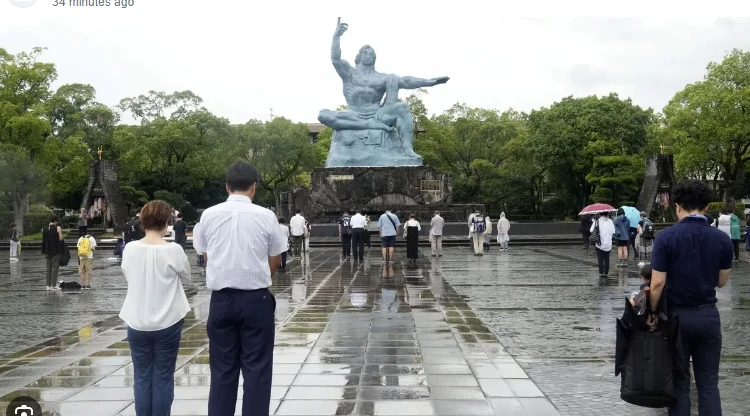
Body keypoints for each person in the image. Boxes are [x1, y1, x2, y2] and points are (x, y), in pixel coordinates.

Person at [193, 161, 286, 416]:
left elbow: (205, 253)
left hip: (221, 301)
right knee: (257, 370)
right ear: (254, 188)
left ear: (227, 186)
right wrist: (256, 275)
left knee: (222, 371)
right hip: (256, 300)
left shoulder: (208, 215)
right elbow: (276, 258)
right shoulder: (266, 216)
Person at [648, 179, 733, 415]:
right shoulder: (722, 240)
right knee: (708, 384)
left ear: (677, 206)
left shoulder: (666, 237)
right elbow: (721, 281)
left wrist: (653, 313)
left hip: (676, 318)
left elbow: (657, 283)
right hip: (707, 316)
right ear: (706, 207)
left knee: (679, 383)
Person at [119, 200, 192, 416]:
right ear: (166, 223)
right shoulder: (174, 250)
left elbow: (127, 275)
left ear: (142, 221)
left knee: (141, 376)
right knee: (163, 376)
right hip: (168, 320)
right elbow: (187, 278)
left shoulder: (130, 249)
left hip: (137, 320)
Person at [41, 214, 64, 290]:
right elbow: (60, 238)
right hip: (55, 250)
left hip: (47, 250)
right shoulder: (58, 228)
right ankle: (53, 285)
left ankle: (48, 285)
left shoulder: (43, 229)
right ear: (55, 221)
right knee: (54, 268)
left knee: (48, 267)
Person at [590, 212, 615, 278]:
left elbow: (591, 230)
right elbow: (613, 231)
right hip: (608, 243)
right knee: (607, 258)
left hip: (599, 243)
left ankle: (601, 273)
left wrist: (594, 222)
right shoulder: (610, 221)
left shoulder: (597, 221)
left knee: (600, 258)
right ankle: (606, 273)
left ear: (600, 214)